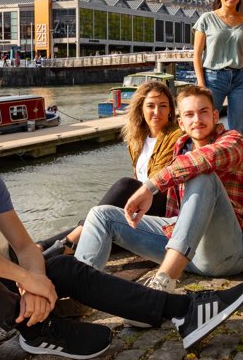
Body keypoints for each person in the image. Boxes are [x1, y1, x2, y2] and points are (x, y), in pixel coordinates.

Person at [0, 73, 243, 358]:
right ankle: (39, 331)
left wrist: (33, 278)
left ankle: (182, 311)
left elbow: (24, 245)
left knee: (63, 267)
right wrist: (22, 277)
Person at [75, 85, 243, 297]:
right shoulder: (180, 147)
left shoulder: (233, 140)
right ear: (181, 122)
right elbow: (175, 215)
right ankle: (80, 291)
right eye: (189, 114)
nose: (197, 119)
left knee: (202, 174)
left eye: (203, 112)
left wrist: (149, 187)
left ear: (215, 115)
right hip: (190, 253)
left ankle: (161, 285)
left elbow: (203, 160)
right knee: (101, 216)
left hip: (229, 253)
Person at [31, 80, 184, 254]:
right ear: (141, 108)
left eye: (163, 106)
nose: (157, 112)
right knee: (101, 222)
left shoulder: (176, 136)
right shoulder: (138, 139)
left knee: (125, 187)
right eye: (150, 106)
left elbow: (155, 182)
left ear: (171, 109)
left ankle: (67, 244)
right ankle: (41, 247)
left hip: (159, 208)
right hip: (139, 207)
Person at [192, 0, 243, 134]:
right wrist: (201, 85)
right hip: (213, 79)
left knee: (237, 131)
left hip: (242, 80)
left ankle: (234, 159)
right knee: (206, 128)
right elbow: (196, 56)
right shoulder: (206, 19)